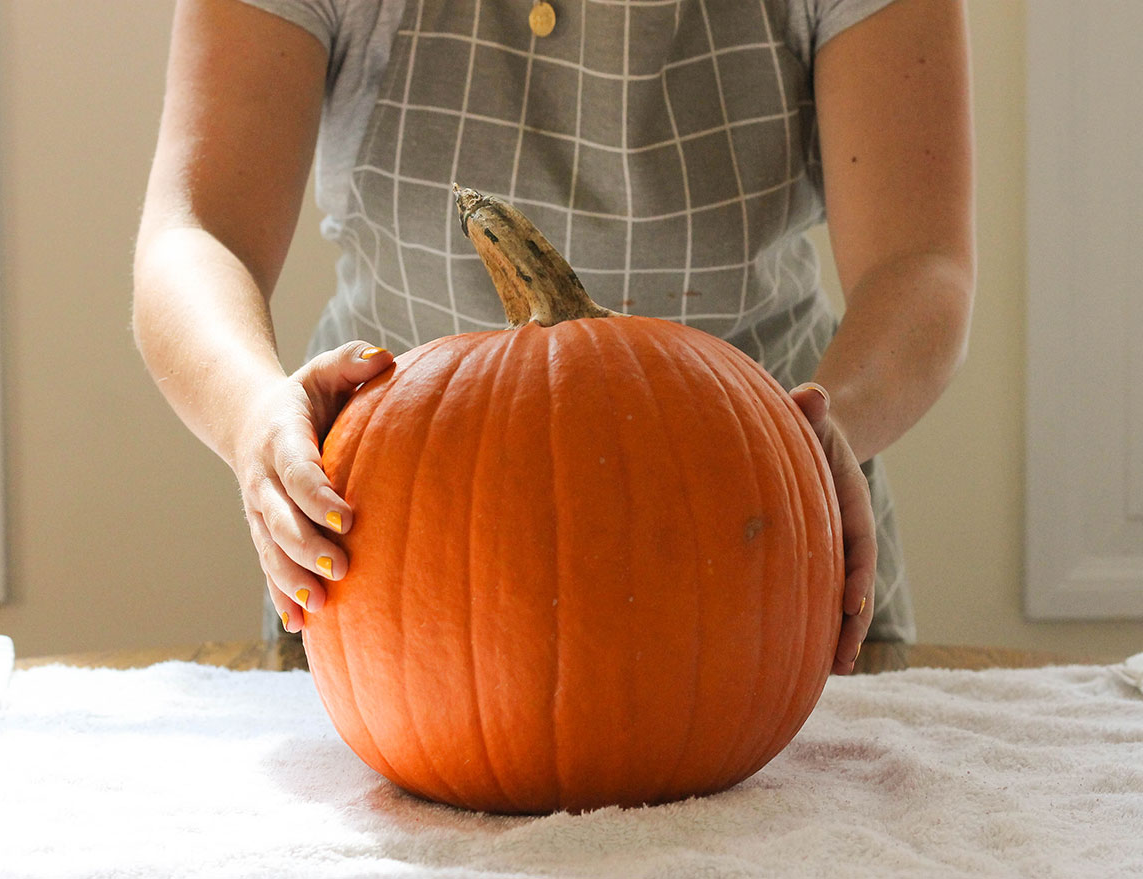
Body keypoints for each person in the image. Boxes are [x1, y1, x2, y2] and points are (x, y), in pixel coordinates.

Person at [132, 0, 974, 674]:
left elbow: (920, 259)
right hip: (387, 573)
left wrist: (827, 433)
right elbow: (200, 234)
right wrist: (254, 417)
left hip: (764, 554)